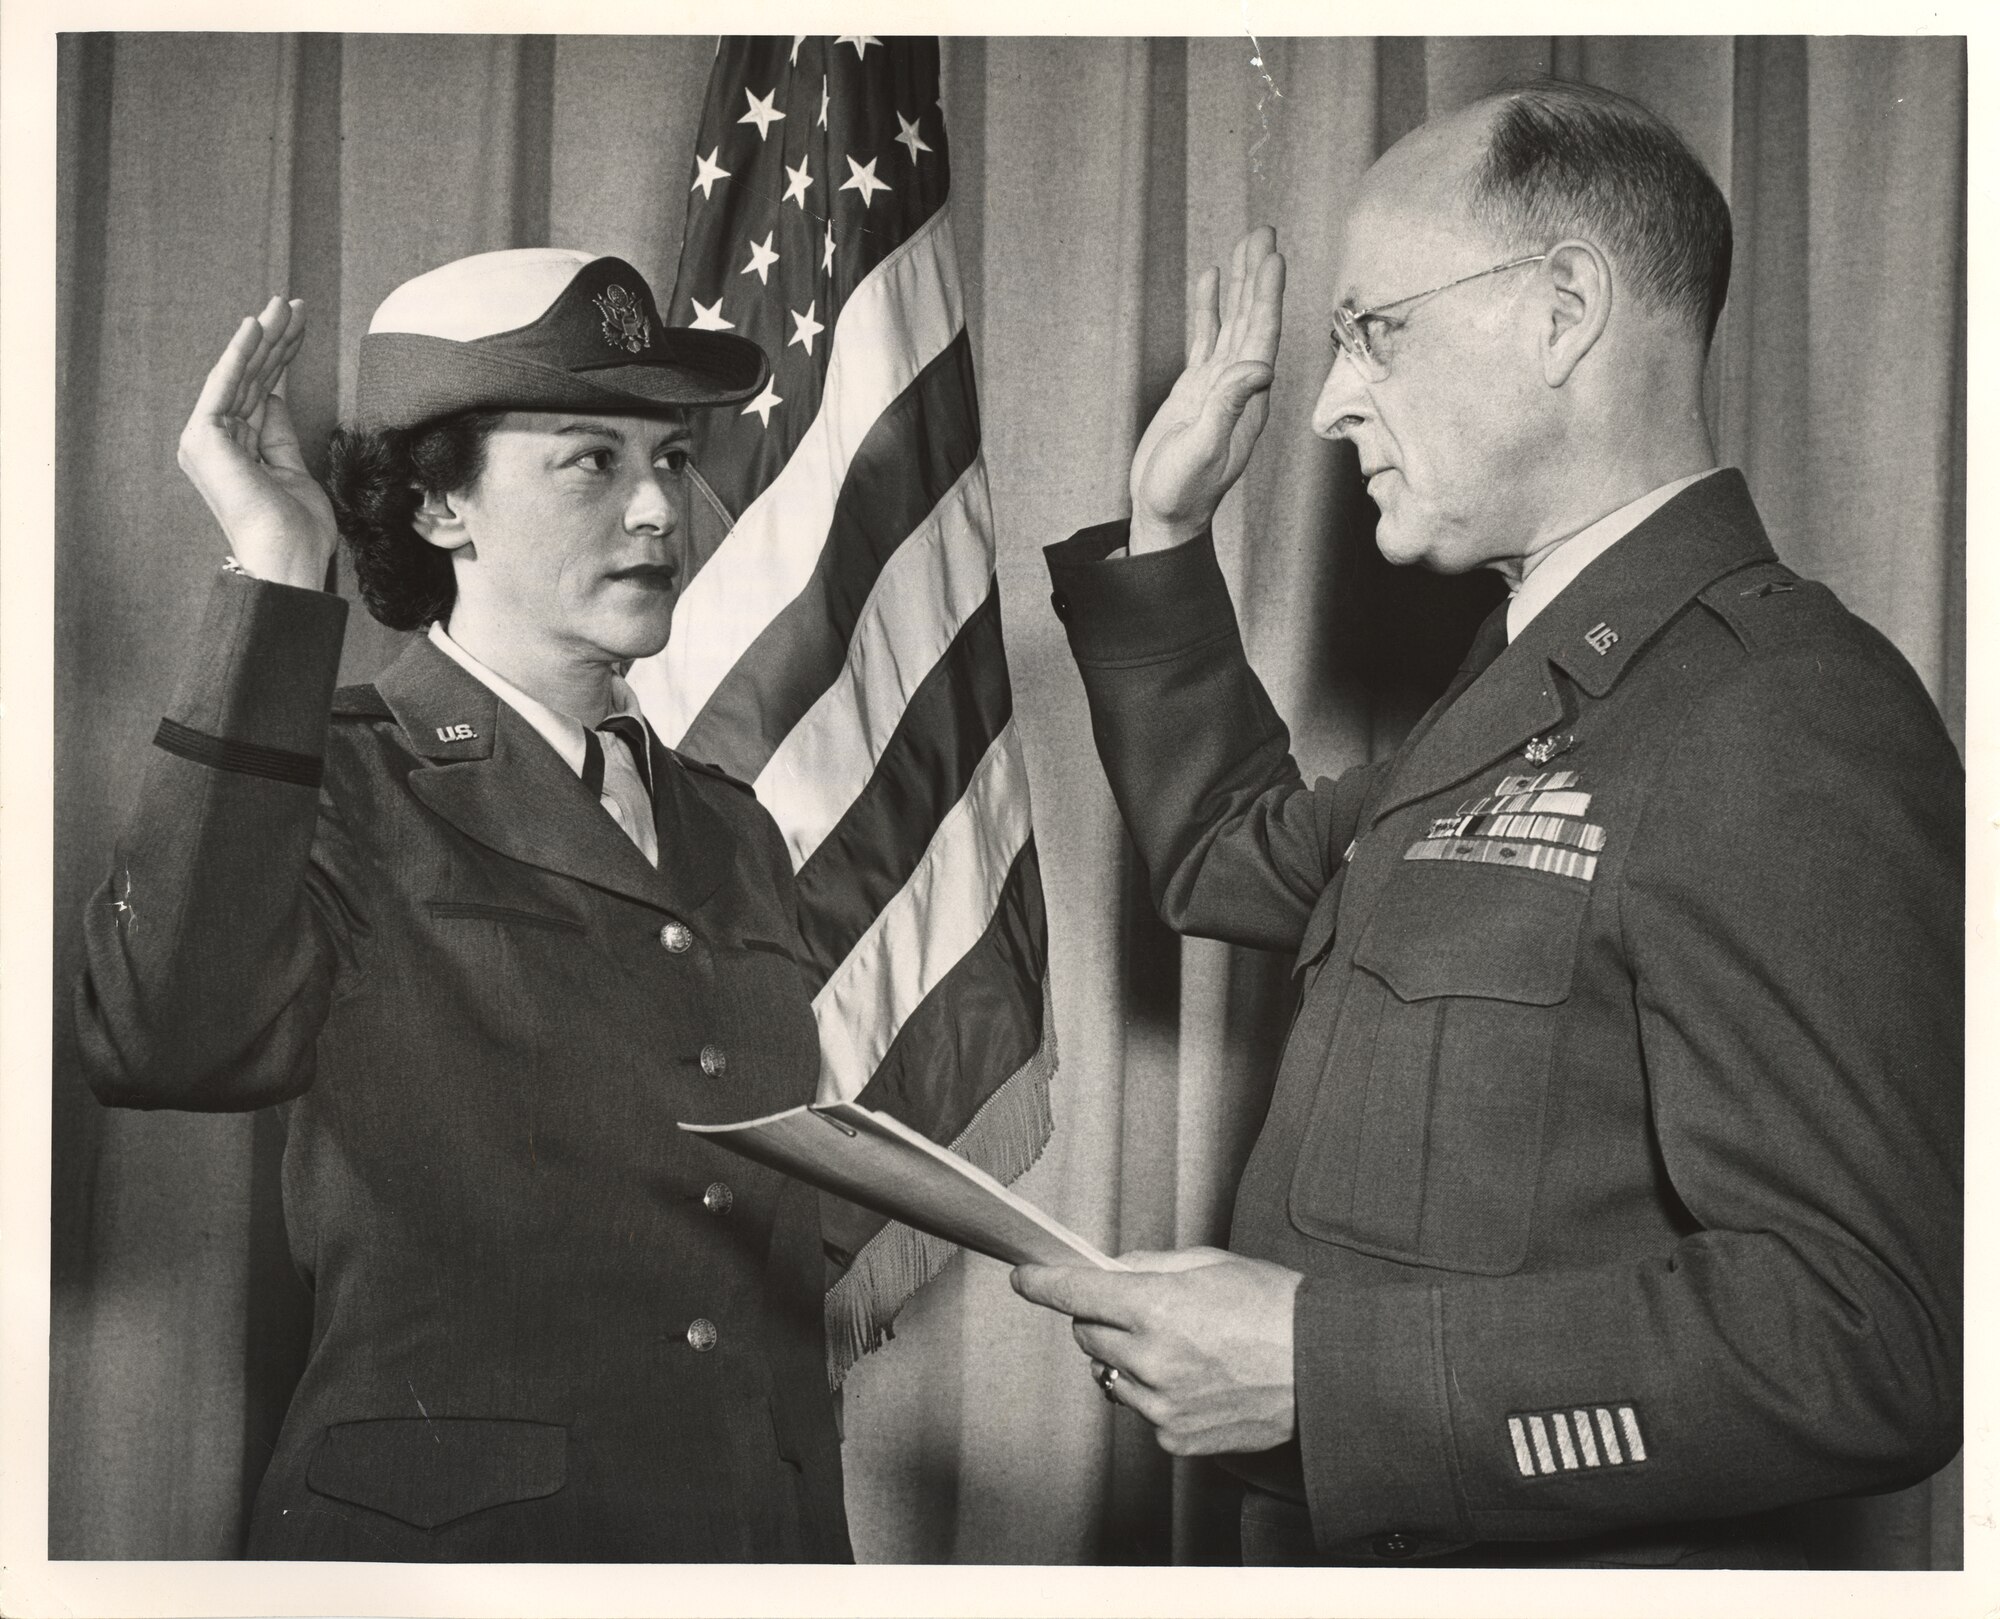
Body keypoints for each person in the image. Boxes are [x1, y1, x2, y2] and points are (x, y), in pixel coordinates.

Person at [1013, 79, 1962, 1568]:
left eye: (1372, 330)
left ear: (1563, 310)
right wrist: (1167, 535)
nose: (1325, 404)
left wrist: (1326, 1374)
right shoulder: (1530, 683)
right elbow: (1227, 857)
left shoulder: (1781, 715)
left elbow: (1865, 1349)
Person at [74, 248, 850, 1562]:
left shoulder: (730, 824)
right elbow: (162, 1042)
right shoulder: (329, 778)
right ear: (438, 504)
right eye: (591, 462)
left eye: (671, 457)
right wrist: (275, 573)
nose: (663, 508)